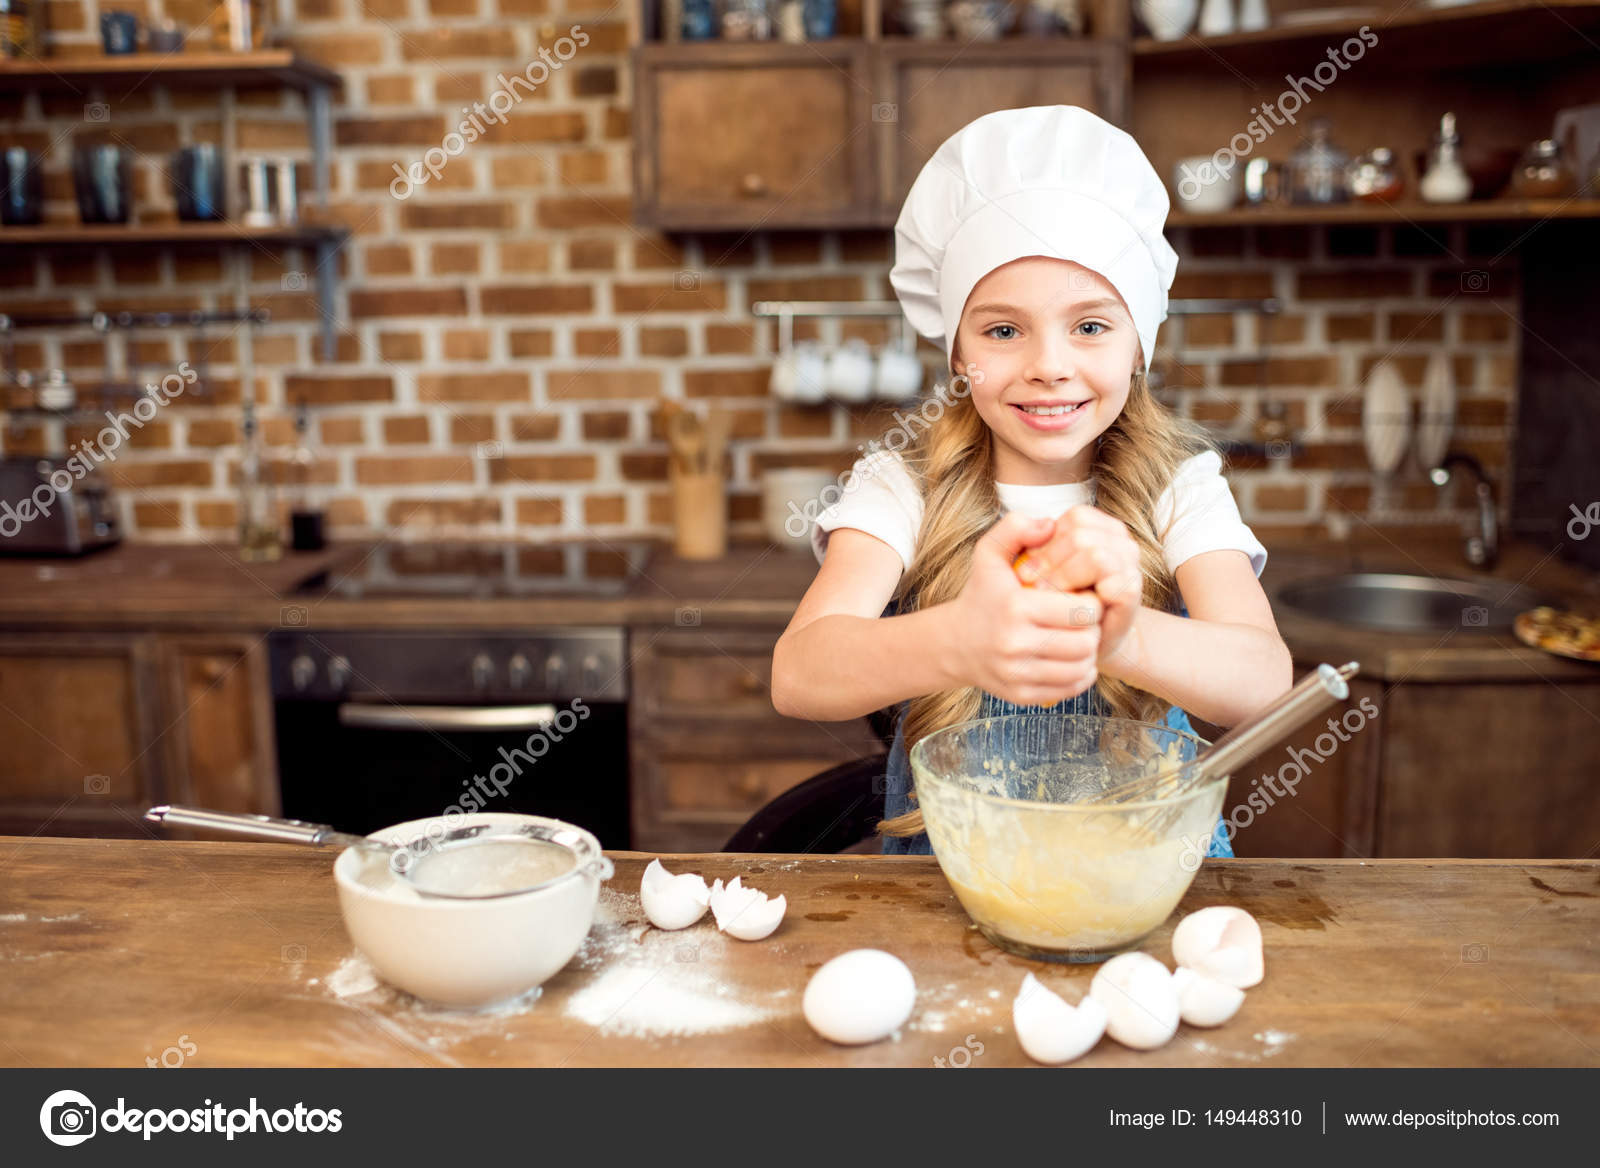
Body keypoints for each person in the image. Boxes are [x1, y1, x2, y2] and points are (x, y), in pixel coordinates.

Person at [770, 105, 1293, 856]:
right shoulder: (905, 484)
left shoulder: (1181, 486)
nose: (1049, 365)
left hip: (1146, 877)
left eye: (1090, 325)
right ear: (956, 352)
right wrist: (960, 640)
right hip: (953, 886)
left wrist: (1118, 634)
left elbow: (1263, 681)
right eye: (1003, 330)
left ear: (1139, 344)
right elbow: (800, 672)